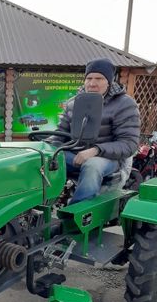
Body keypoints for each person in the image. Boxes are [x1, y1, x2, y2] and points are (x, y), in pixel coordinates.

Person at [52, 58, 140, 204]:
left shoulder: (124, 104)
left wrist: (95, 150)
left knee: (92, 165)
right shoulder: (74, 103)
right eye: (89, 78)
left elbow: (129, 144)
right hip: (75, 154)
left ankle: (76, 217)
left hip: (108, 159)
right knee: (42, 158)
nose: (92, 83)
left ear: (109, 82)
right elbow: (60, 133)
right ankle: (38, 208)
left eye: (99, 79)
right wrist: (45, 147)